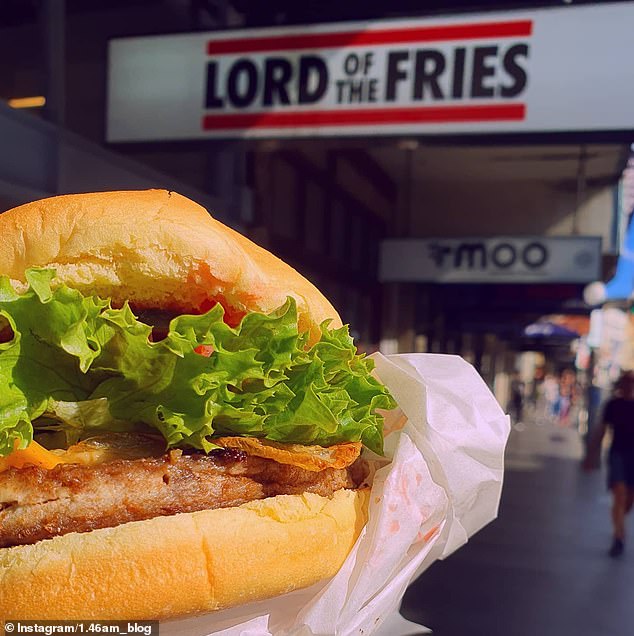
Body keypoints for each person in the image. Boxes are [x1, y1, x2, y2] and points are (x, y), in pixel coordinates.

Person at [584, 370, 634, 557]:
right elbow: (601, 430)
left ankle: (620, 523)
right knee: (619, 495)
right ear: (621, 385)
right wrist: (591, 456)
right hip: (617, 454)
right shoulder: (613, 404)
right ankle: (619, 535)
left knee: (629, 500)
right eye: (627, 382)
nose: (630, 386)